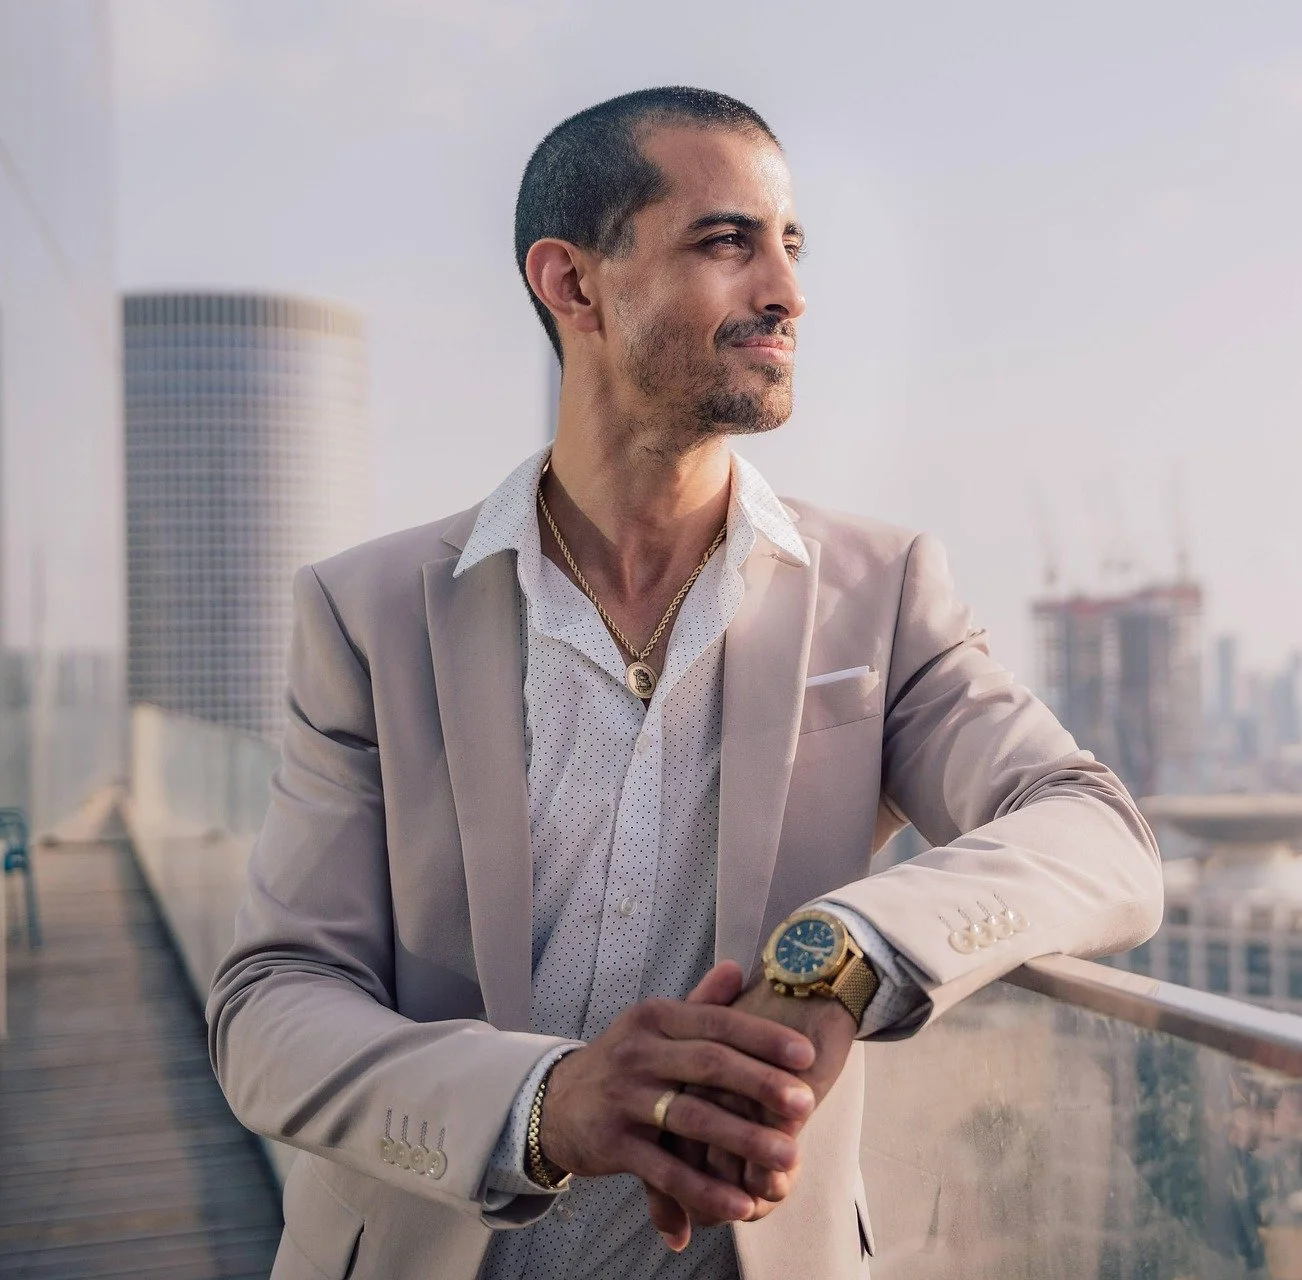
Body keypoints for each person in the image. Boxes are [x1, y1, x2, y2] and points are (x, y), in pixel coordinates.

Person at [207, 86, 1162, 1280]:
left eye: (792, 244)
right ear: (572, 283)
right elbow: (272, 1006)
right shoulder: (367, 611)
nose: (789, 292)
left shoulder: (881, 588)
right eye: (728, 241)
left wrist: (843, 953)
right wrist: (548, 1102)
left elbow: (1098, 832)